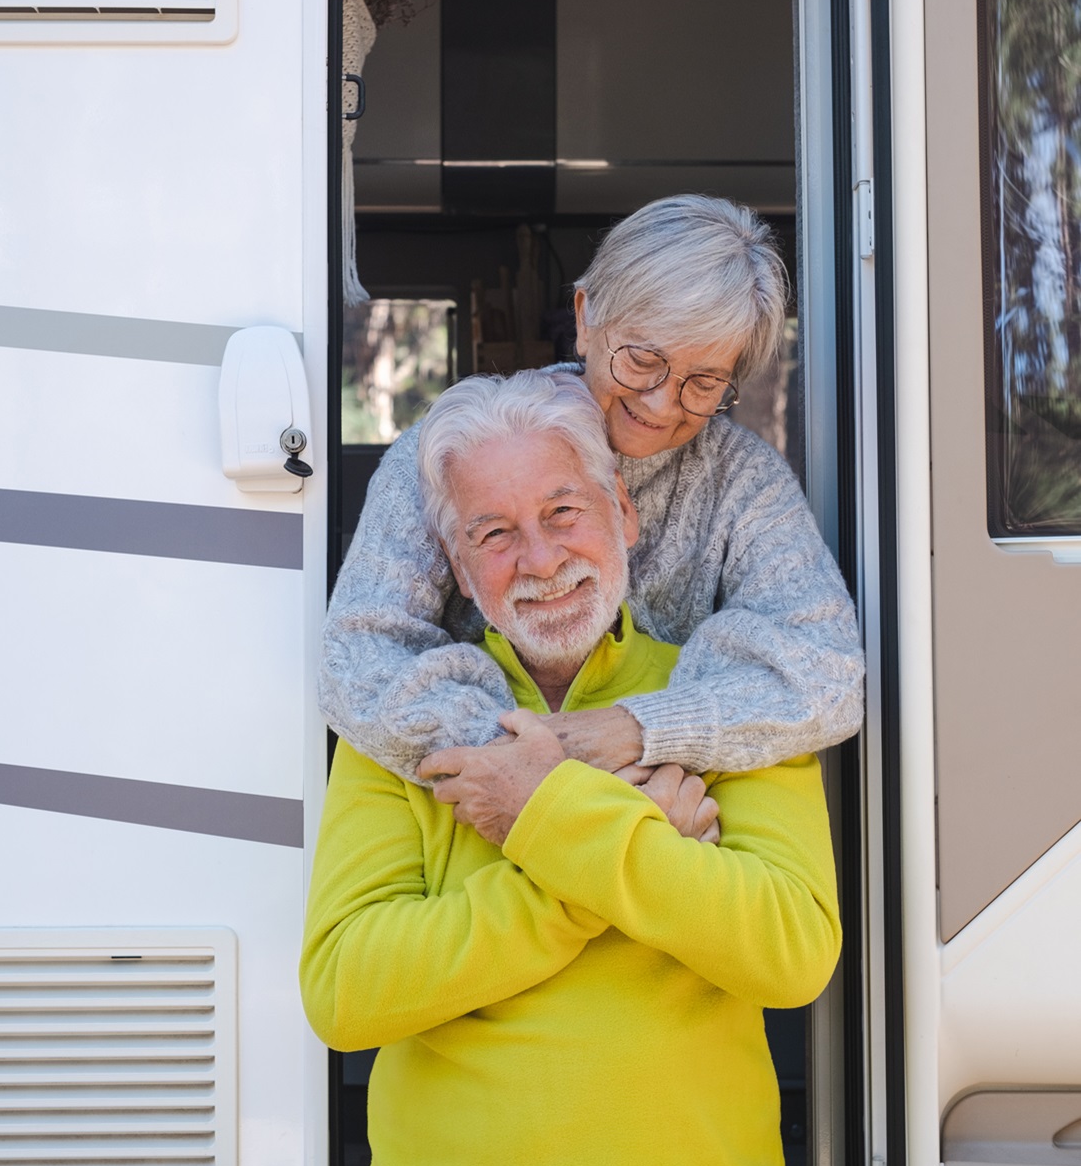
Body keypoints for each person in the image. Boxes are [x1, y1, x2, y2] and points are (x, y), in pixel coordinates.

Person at [300, 370, 842, 1166]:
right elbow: (344, 993)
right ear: (455, 557)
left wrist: (542, 815)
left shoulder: (723, 696)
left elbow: (790, 952)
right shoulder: (404, 712)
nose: (541, 559)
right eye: (494, 533)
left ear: (621, 511)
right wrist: (584, 861)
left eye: (563, 512)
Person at [320, 194, 864, 784]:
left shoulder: (744, 482)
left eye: (703, 382)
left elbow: (830, 680)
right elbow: (357, 665)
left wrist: (640, 729)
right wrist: (540, 765)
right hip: (468, 823)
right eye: (641, 360)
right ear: (584, 320)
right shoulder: (448, 457)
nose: (659, 403)